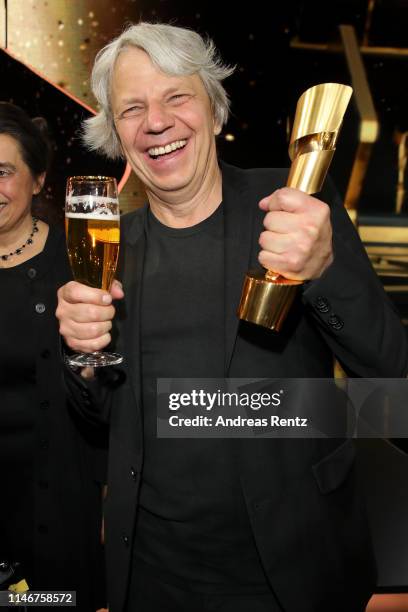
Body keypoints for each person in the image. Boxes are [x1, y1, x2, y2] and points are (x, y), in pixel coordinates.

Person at [56, 23, 408, 612]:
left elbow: (395, 397)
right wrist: (83, 357)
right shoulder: (112, 248)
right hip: (152, 578)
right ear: (115, 134)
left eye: (177, 97)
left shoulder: (295, 209)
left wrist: (325, 272)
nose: (156, 123)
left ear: (215, 112)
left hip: (298, 573)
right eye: (132, 109)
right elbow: (99, 426)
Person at [0, 102, 107, 610]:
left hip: (53, 510)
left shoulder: (79, 260)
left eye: (3, 172)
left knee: (50, 604)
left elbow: (108, 393)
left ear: (39, 179)